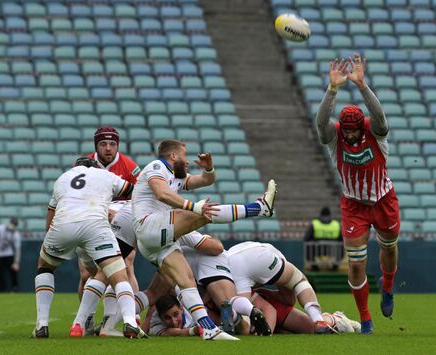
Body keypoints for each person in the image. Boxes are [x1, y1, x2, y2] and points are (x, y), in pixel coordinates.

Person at [132, 139, 277, 340]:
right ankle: (258, 208)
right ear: (173, 156)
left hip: (154, 241)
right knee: (202, 213)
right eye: (184, 155)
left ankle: (208, 329)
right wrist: (192, 206)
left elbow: (205, 181)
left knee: (187, 281)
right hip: (149, 225)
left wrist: (209, 169)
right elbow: (161, 193)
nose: (187, 160)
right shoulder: (157, 167)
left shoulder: (176, 176)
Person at [315, 54, 400, 334]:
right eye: (346, 132)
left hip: (384, 199)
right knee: (355, 265)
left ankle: (387, 285)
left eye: (354, 132)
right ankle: (366, 320)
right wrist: (332, 89)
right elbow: (320, 123)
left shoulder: (374, 132)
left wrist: (362, 86)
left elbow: (380, 116)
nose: (350, 136)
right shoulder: (335, 136)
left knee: (389, 247)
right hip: (354, 205)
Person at [30, 157, 146, 339]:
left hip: (63, 225)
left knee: (45, 267)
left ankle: (41, 325)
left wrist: (50, 239)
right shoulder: (105, 174)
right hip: (95, 226)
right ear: (95, 167)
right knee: (118, 275)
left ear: (75, 167)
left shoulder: (63, 177)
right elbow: (135, 192)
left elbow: (51, 212)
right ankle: (130, 322)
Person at [77, 126, 141, 334]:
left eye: (112, 144)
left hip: (122, 222)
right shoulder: (84, 165)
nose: (108, 148)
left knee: (126, 264)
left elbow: (142, 197)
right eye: (103, 144)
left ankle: (123, 320)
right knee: (87, 273)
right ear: (96, 145)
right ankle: (86, 319)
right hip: (93, 219)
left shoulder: (130, 167)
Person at [227, 241, 334, 334]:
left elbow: (286, 302)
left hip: (231, 263)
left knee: (242, 311)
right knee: (299, 281)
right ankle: (318, 319)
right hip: (258, 255)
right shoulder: (272, 254)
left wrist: (265, 292)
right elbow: (289, 300)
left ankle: (333, 319)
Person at [304, 206, 343, 271]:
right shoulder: (336, 224)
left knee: (308, 247)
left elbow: (306, 238)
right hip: (333, 251)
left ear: (320, 214)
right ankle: (334, 267)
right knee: (341, 248)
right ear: (330, 215)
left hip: (317, 251)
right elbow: (342, 240)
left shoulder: (314, 224)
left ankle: (315, 268)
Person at [0, 217, 21, 292]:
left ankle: (14, 288)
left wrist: (16, 262)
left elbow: (17, 249)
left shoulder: (15, 234)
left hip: (8, 254)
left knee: (13, 271)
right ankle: (2, 289)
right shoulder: (0, 228)